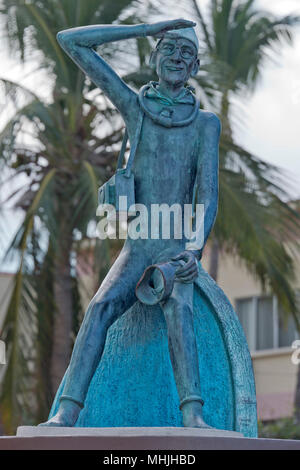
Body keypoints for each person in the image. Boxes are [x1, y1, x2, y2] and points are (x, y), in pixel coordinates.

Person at [40, 19, 221, 428]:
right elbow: (71, 41)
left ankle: (194, 416)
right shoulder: (136, 109)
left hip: (175, 246)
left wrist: (193, 250)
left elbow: (207, 194)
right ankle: (67, 411)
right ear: (155, 57)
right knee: (100, 307)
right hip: (137, 245)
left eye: (186, 53)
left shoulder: (205, 124)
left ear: (195, 67)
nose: (177, 58)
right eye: (169, 48)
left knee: (180, 310)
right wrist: (146, 29)